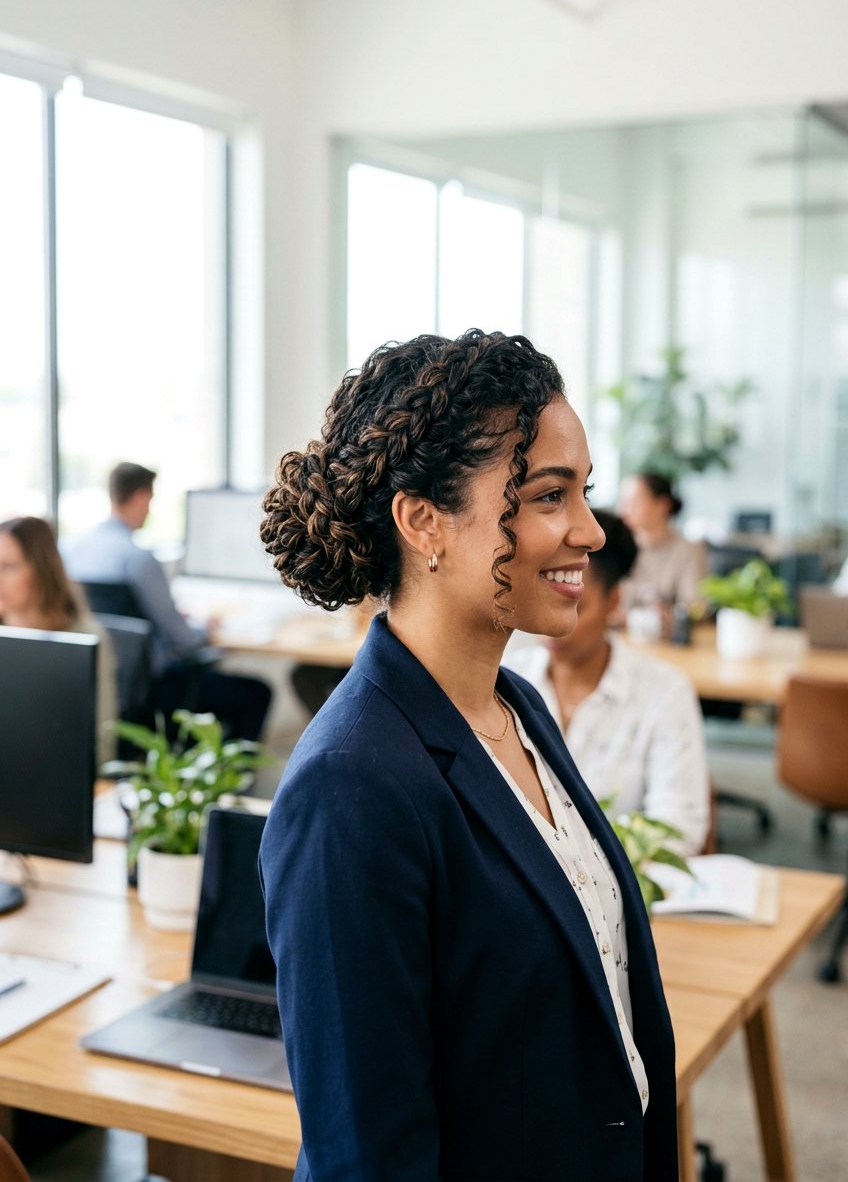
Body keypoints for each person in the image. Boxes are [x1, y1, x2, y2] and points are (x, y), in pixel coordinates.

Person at [259, 330, 678, 1182]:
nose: (591, 532)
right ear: (424, 522)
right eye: (549, 495)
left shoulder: (515, 707)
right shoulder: (351, 785)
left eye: (584, 493)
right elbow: (365, 1157)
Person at [503, 509, 710, 856]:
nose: (555, 623)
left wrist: (586, 870)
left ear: (613, 601)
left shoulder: (663, 692)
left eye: (575, 606)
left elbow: (679, 828)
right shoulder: (506, 680)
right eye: (544, 597)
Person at [64, 462, 272, 742]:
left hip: (103, 687)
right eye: (150, 501)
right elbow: (185, 641)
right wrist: (204, 628)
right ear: (139, 497)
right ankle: (231, 779)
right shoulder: (138, 559)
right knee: (257, 693)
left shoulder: (72, 550)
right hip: (154, 692)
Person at [0, 515, 117, 765]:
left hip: (50, 778)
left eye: (8, 567)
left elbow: (102, 744)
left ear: (41, 571)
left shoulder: (83, 638)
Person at [617, 470, 709, 630]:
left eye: (633, 502)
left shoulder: (689, 551)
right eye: (622, 502)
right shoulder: (617, 547)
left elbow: (695, 610)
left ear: (662, 505)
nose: (624, 510)